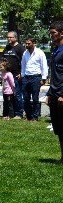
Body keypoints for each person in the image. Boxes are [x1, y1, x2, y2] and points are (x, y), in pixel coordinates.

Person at [20, 37, 48, 121]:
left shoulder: (40, 53)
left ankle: (35, 117)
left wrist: (43, 78)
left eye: (29, 43)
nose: (27, 45)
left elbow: (44, 66)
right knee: (26, 98)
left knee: (35, 98)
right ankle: (28, 116)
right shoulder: (25, 53)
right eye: (26, 43)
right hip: (26, 77)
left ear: (34, 43)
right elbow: (23, 65)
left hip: (36, 77)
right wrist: (22, 75)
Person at [47, 21, 63, 163]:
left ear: (61, 33)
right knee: (59, 128)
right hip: (54, 93)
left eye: (54, 33)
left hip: (61, 95)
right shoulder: (55, 50)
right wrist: (50, 93)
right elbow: (55, 74)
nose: (51, 35)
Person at [2, 30, 25, 120]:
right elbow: (3, 60)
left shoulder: (20, 48)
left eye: (11, 37)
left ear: (15, 38)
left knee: (17, 95)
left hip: (16, 75)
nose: (9, 39)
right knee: (8, 96)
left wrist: (20, 73)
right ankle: (10, 113)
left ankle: (19, 114)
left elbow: (24, 62)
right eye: (8, 37)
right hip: (7, 75)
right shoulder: (7, 48)